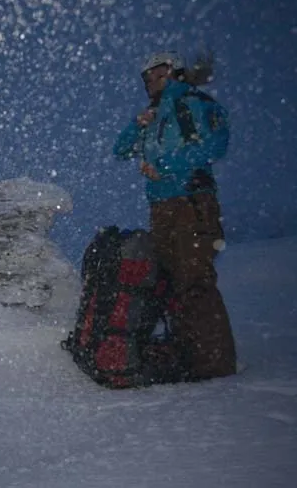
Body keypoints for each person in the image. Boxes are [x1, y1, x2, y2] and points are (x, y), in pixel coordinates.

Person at [113, 50, 237, 380]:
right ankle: (190, 356)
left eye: (160, 73)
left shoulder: (192, 103)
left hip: (191, 203)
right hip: (162, 207)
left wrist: (163, 166)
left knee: (194, 281)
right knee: (171, 282)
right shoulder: (154, 115)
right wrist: (136, 125)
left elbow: (216, 144)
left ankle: (214, 366)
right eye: (147, 77)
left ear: (176, 72)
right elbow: (120, 150)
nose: (152, 80)